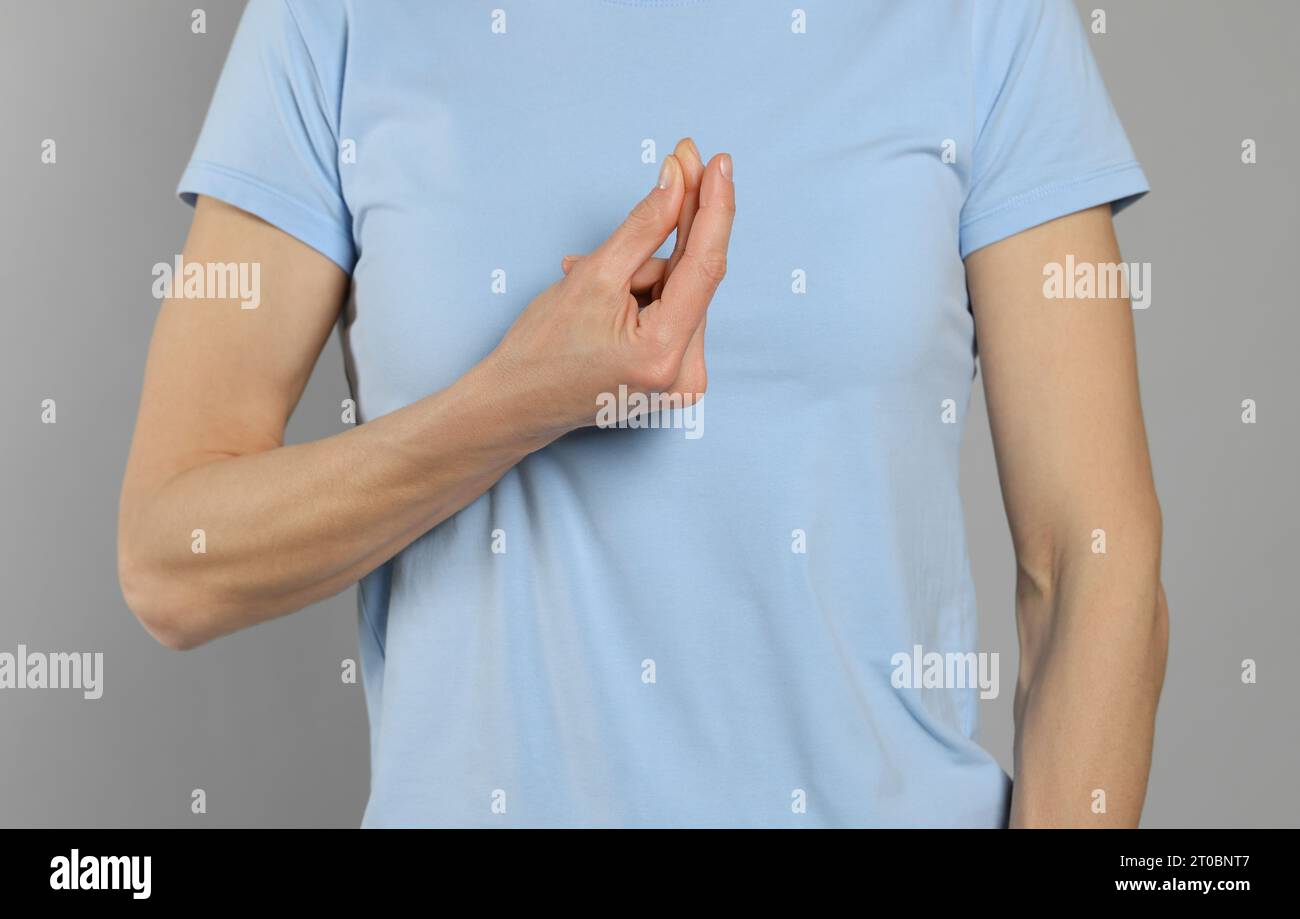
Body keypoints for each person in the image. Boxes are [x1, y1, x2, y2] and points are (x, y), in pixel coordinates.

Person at [118, 0, 1168, 827]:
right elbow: (172, 558)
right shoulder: (333, 17)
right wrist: (516, 399)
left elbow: (1092, 561)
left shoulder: (985, 18)